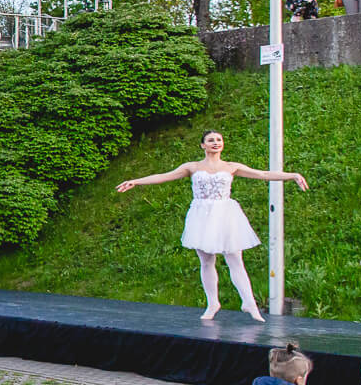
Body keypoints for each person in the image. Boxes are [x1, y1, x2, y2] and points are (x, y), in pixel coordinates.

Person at [115, 131, 309, 321]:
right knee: (207, 261)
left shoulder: (231, 167)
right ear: (203, 145)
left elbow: (263, 174)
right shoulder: (192, 167)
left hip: (225, 214)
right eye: (211, 140)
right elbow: (164, 176)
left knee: (235, 260)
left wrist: (292, 175)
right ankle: (212, 303)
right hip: (201, 215)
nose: (216, 142)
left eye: (218, 139)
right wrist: (136, 181)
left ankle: (249, 303)